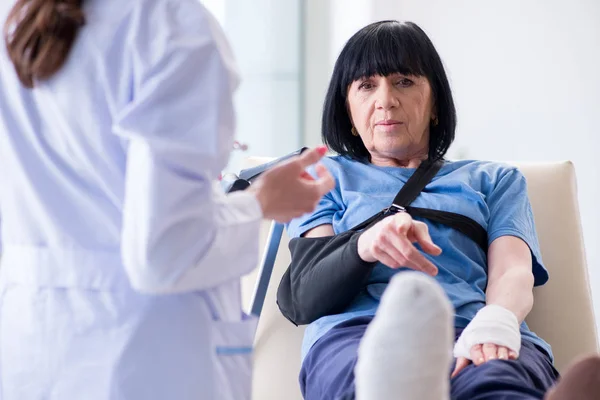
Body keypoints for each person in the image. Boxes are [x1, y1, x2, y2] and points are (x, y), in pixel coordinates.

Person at [0, 0, 334, 399]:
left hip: (33, 346)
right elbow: (164, 250)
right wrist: (262, 202)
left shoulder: (15, 19)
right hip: (140, 357)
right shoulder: (169, 26)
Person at [279, 20, 600, 399]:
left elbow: (513, 269)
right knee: (368, 378)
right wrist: (365, 245)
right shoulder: (320, 176)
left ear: (435, 104)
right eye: (366, 85)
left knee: (499, 385)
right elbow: (308, 288)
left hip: (473, 329)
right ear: (348, 111)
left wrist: (497, 321)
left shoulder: (494, 180)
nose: (385, 100)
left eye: (404, 82)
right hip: (360, 331)